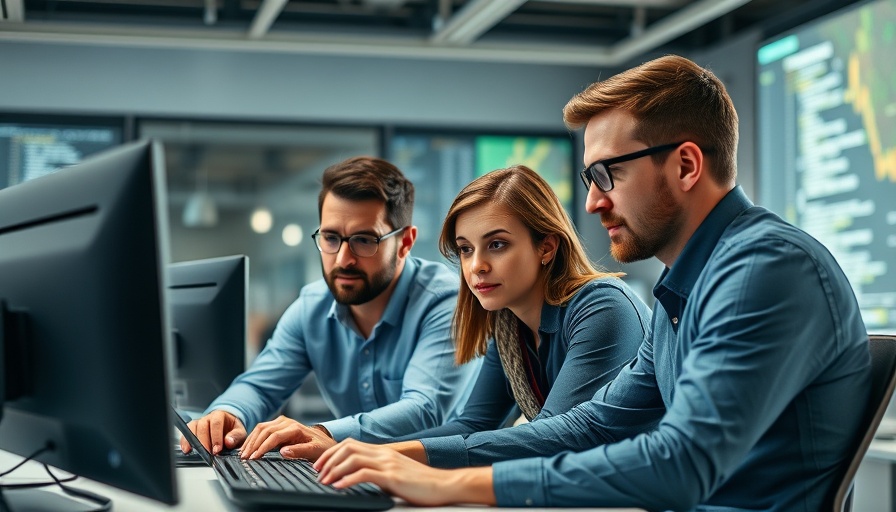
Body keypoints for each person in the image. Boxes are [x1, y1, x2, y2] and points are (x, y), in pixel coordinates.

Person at [314, 54, 871, 511]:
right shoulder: (684, 289)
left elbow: (681, 465)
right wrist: (403, 457)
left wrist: (452, 484)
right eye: (589, 178)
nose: (591, 202)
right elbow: (587, 426)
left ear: (685, 166)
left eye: (609, 174)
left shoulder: (765, 269)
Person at [180, 156, 481, 460]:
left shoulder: (446, 301)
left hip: (446, 478)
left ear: (405, 242)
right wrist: (228, 412)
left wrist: (323, 434)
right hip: (357, 475)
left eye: (364, 240)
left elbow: (424, 410)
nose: (342, 259)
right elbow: (259, 386)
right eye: (331, 238)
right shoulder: (312, 307)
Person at [374, 165, 650, 451]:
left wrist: (396, 455)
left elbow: (553, 437)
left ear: (546, 248)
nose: (476, 266)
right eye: (465, 249)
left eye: (496, 244)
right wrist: (368, 452)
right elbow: (474, 424)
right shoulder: (509, 325)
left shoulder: (603, 308)